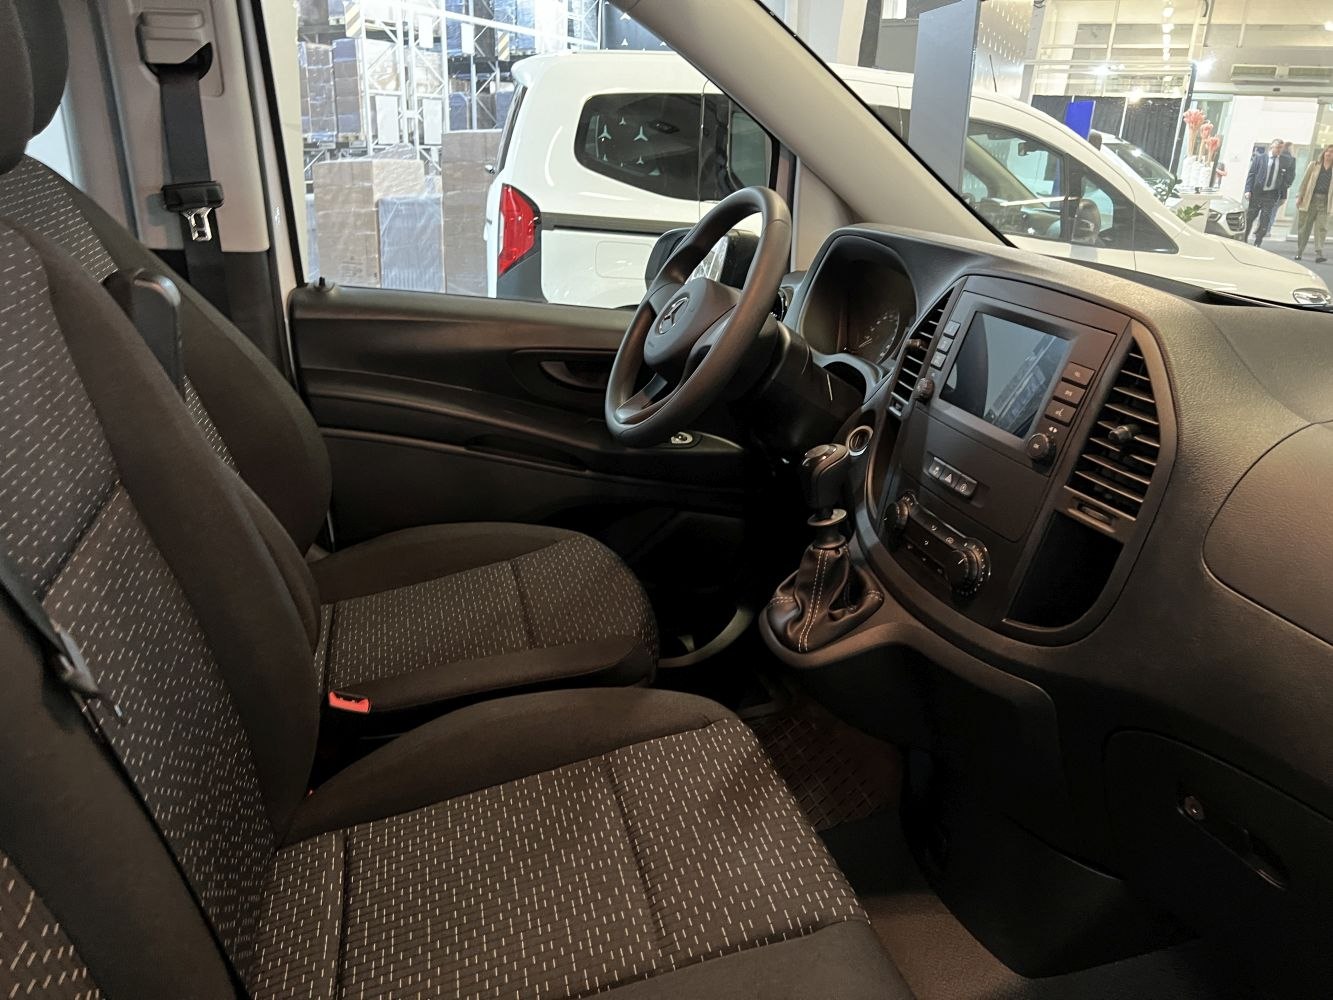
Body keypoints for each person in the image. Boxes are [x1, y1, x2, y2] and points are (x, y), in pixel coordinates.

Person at [1244, 138, 1289, 247]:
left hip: (1271, 195)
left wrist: (1283, 196)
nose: (1279, 150)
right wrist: (1248, 190)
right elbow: (1252, 174)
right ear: (1271, 147)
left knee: (1265, 220)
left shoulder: (1284, 161)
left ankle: (1258, 242)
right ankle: (1244, 239)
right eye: (1277, 147)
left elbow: (1285, 180)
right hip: (1257, 193)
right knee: (1250, 217)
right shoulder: (1260, 158)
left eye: (1281, 148)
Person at [1294, 144, 1333, 263]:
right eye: (1328, 152)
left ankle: (1319, 253)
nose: (1329, 154)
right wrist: (1299, 196)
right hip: (1310, 200)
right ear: (1324, 152)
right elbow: (1304, 181)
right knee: (1304, 227)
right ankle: (1299, 252)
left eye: (1332, 153)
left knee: (1322, 228)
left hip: (1326, 202)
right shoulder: (1314, 165)